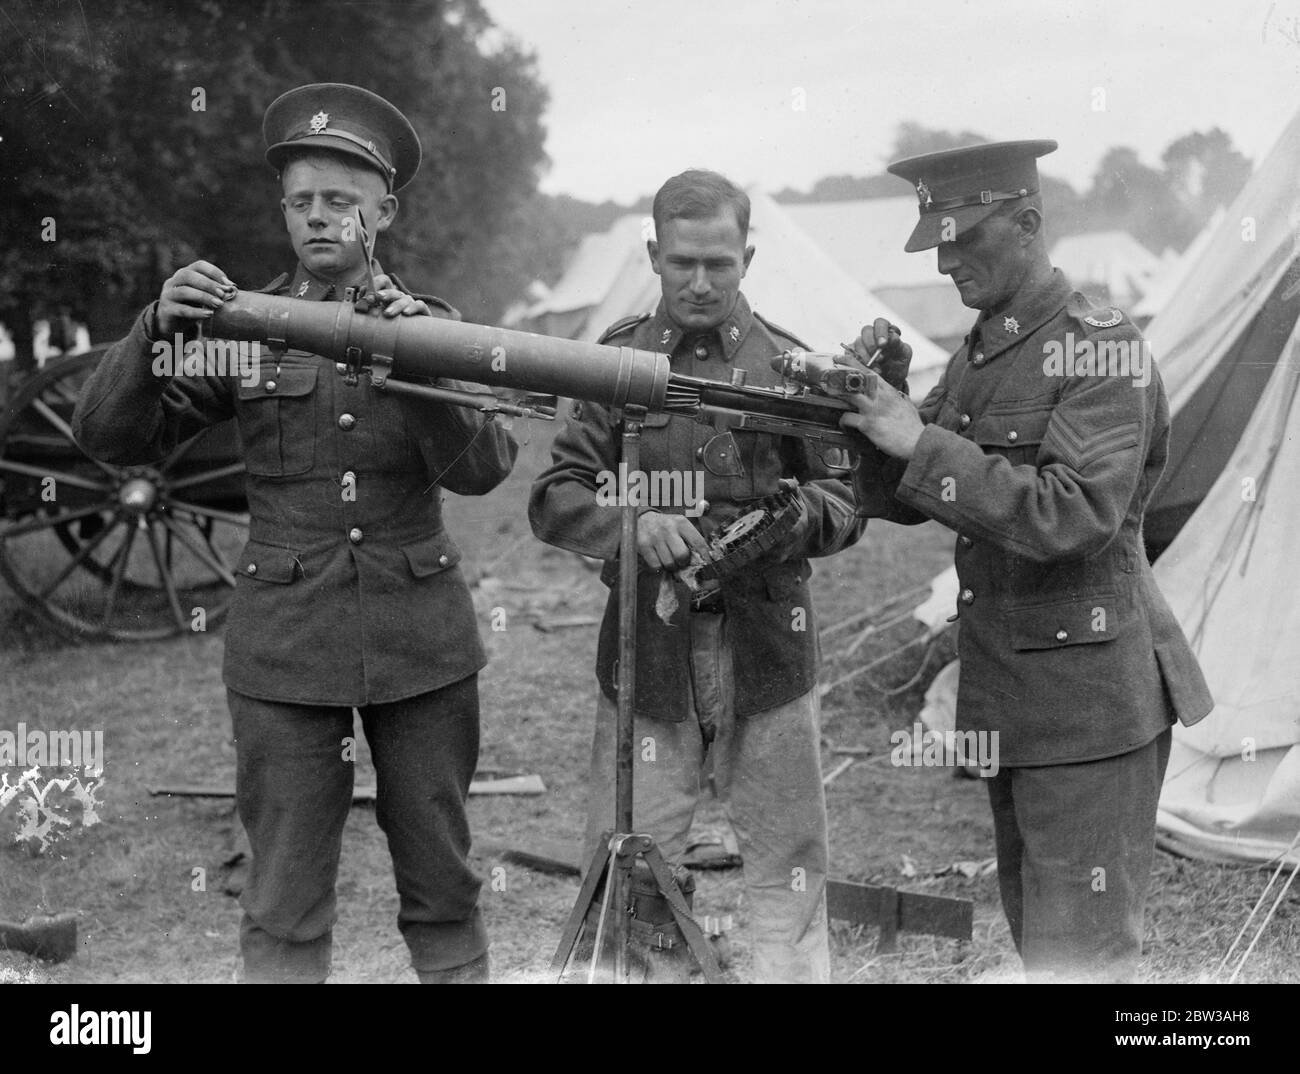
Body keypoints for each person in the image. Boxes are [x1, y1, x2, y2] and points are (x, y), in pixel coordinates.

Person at [73, 83, 517, 983]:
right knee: (282, 895)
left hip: (419, 643)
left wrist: (415, 359)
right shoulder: (244, 329)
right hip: (285, 650)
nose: (321, 220)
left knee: (441, 880)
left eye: (342, 203)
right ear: (284, 212)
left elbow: (484, 468)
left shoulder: (430, 324)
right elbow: (108, 438)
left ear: (382, 212)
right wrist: (155, 328)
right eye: (303, 202)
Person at [839, 140, 1213, 982]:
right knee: (1044, 946)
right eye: (936, 241)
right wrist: (870, 414)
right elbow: (907, 492)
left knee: (1083, 957)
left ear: (1029, 223)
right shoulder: (984, 350)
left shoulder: (1098, 347)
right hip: (1017, 703)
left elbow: (1074, 514)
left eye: (964, 238)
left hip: (1090, 711)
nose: (944, 260)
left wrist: (920, 439)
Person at [529, 169, 895, 983]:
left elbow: (849, 496)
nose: (700, 283)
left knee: (789, 867)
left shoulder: (792, 367)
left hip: (767, 650)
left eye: (719, 265)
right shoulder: (611, 365)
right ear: (654, 256)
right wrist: (633, 523)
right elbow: (555, 497)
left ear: (748, 258)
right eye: (683, 262)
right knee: (632, 867)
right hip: (648, 654)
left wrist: (804, 519)